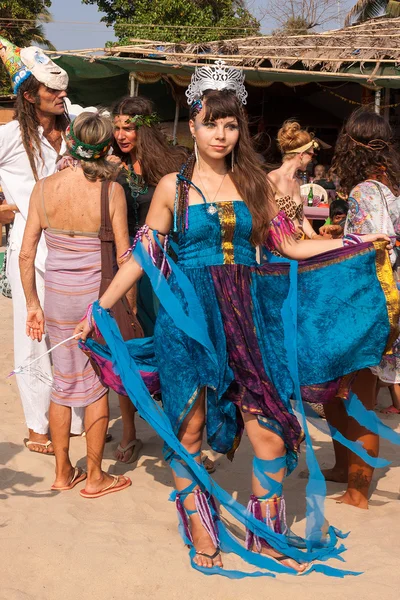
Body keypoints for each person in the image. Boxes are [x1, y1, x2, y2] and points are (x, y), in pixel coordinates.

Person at [73, 63, 393, 575]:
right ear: (193, 127)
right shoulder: (170, 190)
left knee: (267, 432)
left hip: (249, 319)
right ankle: (201, 528)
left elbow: (290, 245)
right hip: (188, 321)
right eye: (210, 123)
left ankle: (266, 537)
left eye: (230, 124)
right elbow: (141, 255)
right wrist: (99, 308)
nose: (221, 134)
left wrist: (355, 242)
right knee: (190, 428)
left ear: (239, 129)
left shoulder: (256, 184)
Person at [19, 112, 132, 496]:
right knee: (97, 385)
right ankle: (96, 476)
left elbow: (24, 254)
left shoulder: (43, 188)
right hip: (93, 304)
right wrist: (127, 309)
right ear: (105, 148)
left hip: (55, 300)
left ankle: (63, 472)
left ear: (70, 142)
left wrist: (33, 304)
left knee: (62, 385)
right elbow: (123, 259)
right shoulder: (111, 191)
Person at [0, 36, 84, 453]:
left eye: (63, 88)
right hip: (29, 250)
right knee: (33, 335)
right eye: (52, 89)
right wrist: (8, 208)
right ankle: (37, 427)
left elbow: (110, 124)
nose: (61, 94)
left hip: (76, 250)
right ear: (29, 95)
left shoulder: (76, 125)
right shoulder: (12, 135)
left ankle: (74, 417)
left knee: (73, 331)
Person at [324, 108, 400, 505]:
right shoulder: (391, 187)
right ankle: (343, 470)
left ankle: (358, 492)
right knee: (342, 395)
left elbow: (373, 246)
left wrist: (332, 245)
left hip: (368, 303)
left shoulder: (364, 191)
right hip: (387, 301)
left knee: (359, 399)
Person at [111, 96, 187, 463]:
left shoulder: (173, 164)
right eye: (117, 126)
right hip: (131, 272)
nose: (120, 133)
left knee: (171, 346)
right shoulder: (113, 166)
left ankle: (180, 431)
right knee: (133, 344)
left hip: (169, 272)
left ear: (144, 126)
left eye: (128, 126)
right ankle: (130, 432)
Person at [267, 121, 322, 244]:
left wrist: (314, 235)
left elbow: (300, 217)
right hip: (278, 247)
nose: (312, 159)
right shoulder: (273, 178)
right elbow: (265, 216)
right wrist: (288, 230)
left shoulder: (296, 182)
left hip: (295, 246)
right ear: (301, 155)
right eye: (311, 155)